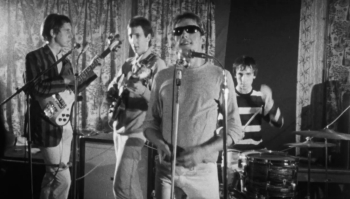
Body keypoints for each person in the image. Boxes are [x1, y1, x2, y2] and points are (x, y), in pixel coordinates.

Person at [142, 12, 243, 199]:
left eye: (190, 29)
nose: (184, 34)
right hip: (167, 172)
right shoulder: (162, 77)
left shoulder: (220, 75)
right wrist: (159, 143)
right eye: (178, 31)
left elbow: (235, 128)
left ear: (202, 36)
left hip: (203, 172)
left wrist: (203, 151)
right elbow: (149, 124)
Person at [25, 14, 100, 199]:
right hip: (45, 122)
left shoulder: (66, 61)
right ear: (52, 32)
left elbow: (71, 90)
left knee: (52, 177)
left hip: (64, 123)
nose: (70, 35)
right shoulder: (35, 57)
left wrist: (91, 74)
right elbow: (37, 88)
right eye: (66, 31)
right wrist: (64, 79)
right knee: (62, 176)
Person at [106, 16, 166, 199]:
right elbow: (112, 90)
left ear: (149, 37)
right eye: (131, 36)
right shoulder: (128, 63)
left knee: (121, 186)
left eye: (138, 35)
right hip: (119, 128)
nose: (134, 40)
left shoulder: (157, 64)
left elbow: (162, 104)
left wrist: (142, 90)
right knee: (130, 186)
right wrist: (114, 90)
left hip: (137, 131)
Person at [224, 55, 284, 189]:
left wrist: (270, 103)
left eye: (248, 74)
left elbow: (279, 123)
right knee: (229, 192)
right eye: (240, 74)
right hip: (232, 152)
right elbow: (219, 129)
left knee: (257, 191)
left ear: (254, 75)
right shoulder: (228, 97)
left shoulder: (259, 98)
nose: (243, 79)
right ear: (234, 75)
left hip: (255, 154)